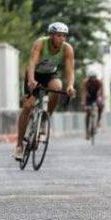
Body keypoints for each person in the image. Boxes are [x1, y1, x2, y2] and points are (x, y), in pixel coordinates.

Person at [13, 22, 75, 160]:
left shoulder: (67, 49)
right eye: (59, 35)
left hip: (50, 75)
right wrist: (31, 80)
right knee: (28, 106)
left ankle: (46, 118)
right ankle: (19, 145)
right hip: (34, 74)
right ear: (51, 35)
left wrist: (70, 86)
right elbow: (32, 62)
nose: (62, 39)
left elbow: (70, 70)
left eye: (64, 36)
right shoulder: (41, 43)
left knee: (58, 87)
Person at [80, 70, 104, 139]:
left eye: (94, 77)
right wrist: (83, 103)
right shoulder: (85, 82)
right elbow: (84, 93)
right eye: (91, 78)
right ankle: (87, 131)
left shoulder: (99, 82)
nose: (93, 79)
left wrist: (101, 100)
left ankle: (98, 120)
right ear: (89, 78)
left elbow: (102, 92)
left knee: (101, 105)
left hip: (96, 96)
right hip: (88, 97)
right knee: (88, 113)